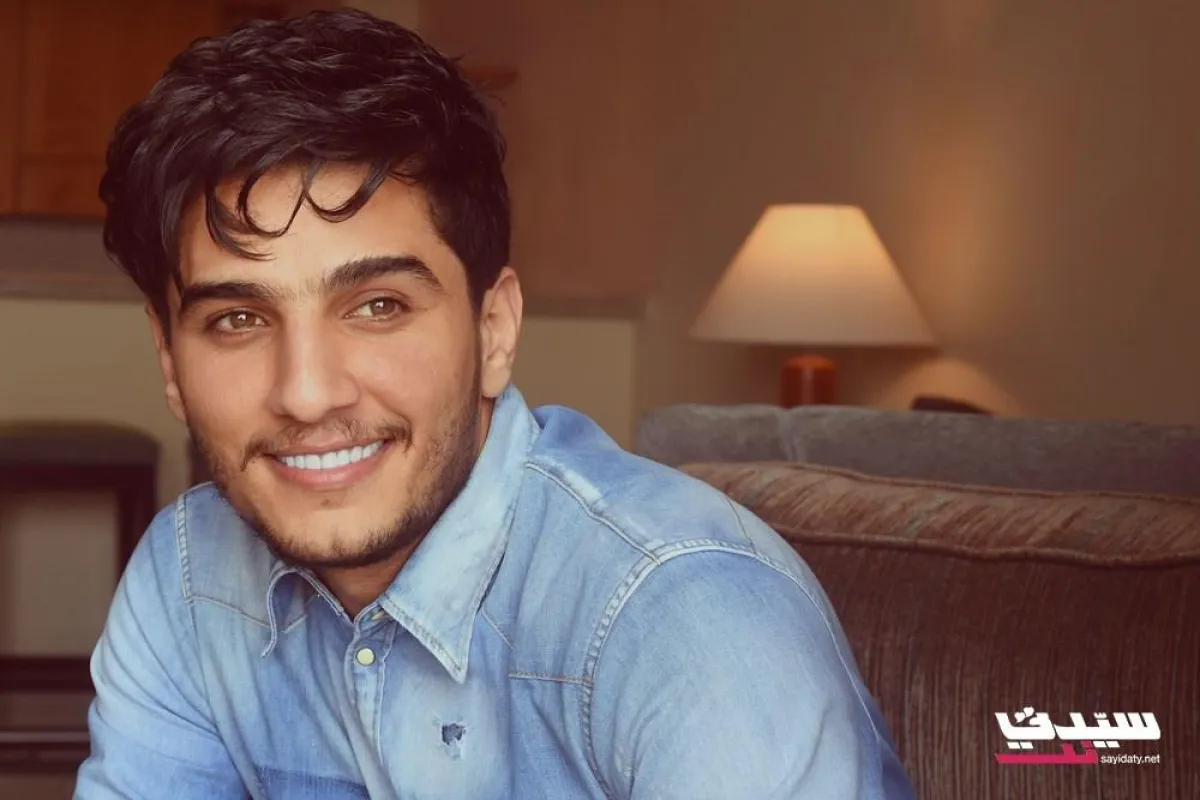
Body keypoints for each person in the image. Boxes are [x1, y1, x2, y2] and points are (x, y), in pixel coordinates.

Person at [75, 9, 913, 799]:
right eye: (238, 319)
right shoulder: (189, 577)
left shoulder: (686, 620)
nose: (307, 392)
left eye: (378, 307)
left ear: (495, 328)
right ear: (170, 360)